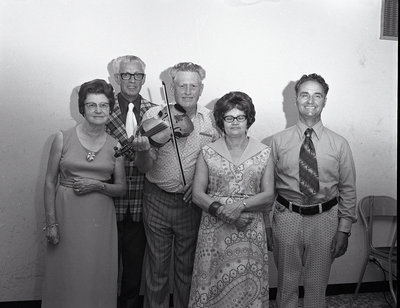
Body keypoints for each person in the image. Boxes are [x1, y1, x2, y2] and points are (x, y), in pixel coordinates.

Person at [133, 62, 218, 308]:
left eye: (194, 86)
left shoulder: (210, 120)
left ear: (201, 89)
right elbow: (144, 167)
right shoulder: (154, 117)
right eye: (182, 85)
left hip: (191, 203)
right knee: (157, 268)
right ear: (172, 87)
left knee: (187, 269)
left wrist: (204, 183)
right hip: (157, 198)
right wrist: (141, 152)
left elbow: (217, 159)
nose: (188, 91)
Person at [269, 73, 357, 308]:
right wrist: (267, 225)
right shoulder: (277, 142)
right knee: (286, 283)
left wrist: (344, 230)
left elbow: (348, 189)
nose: (310, 100)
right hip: (287, 217)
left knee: (317, 285)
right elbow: (267, 188)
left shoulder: (339, 144)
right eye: (304, 94)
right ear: (295, 99)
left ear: (325, 101)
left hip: (325, 220)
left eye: (317, 95)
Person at [41, 79, 127, 308]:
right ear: (82, 108)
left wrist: (97, 185)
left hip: (100, 221)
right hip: (66, 217)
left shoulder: (116, 144)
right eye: (92, 105)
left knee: (96, 274)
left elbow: (121, 188)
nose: (98, 110)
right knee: (67, 273)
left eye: (103, 105)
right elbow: (50, 182)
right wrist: (51, 224)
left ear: (110, 109)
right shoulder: (62, 138)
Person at [188, 91, 275, 308]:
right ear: (221, 121)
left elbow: (268, 195)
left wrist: (239, 206)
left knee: (247, 284)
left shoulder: (264, 152)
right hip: (214, 227)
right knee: (211, 281)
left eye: (240, 117)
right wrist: (223, 211)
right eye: (229, 117)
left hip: (250, 228)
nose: (235, 122)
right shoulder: (207, 151)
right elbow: (198, 194)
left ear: (249, 120)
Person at [105, 55, 157, 308]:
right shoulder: (103, 108)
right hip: (107, 201)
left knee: (134, 268)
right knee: (103, 265)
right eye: (126, 75)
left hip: (141, 202)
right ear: (117, 78)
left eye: (138, 75)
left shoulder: (156, 112)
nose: (132, 80)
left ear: (144, 78)